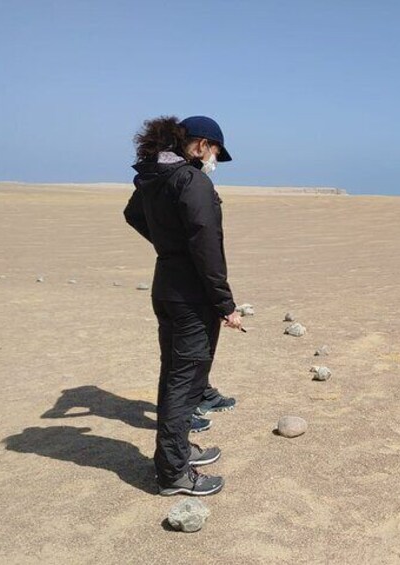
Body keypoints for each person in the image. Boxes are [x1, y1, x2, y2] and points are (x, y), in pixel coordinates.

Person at [124, 115, 243, 495]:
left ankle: (176, 452)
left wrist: (167, 244)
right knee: (185, 380)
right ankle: (173, 473)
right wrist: (225, 304)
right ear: (201, 144)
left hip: (167, 287)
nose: (215, 159)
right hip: (191, 296)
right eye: (216, 151)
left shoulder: (156, 175)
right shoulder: (191, 181)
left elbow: (133, 214)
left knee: (174, 374)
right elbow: (207, 245)